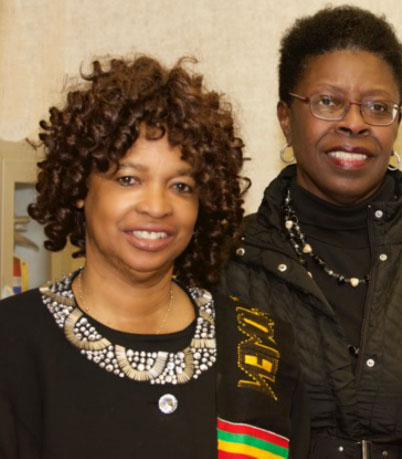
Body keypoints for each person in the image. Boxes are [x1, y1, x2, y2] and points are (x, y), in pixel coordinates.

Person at [221, 5, 402, 458]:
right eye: (327, 101)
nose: (354, 123)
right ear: (285, 117)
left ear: (397, 123)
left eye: (377, 107)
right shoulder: (221, 263)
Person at [0, 56, 308, 458]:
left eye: (181, 186)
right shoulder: (12, 341)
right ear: (79, 186)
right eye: (128, 179)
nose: (157, 206)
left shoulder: (260, 344)